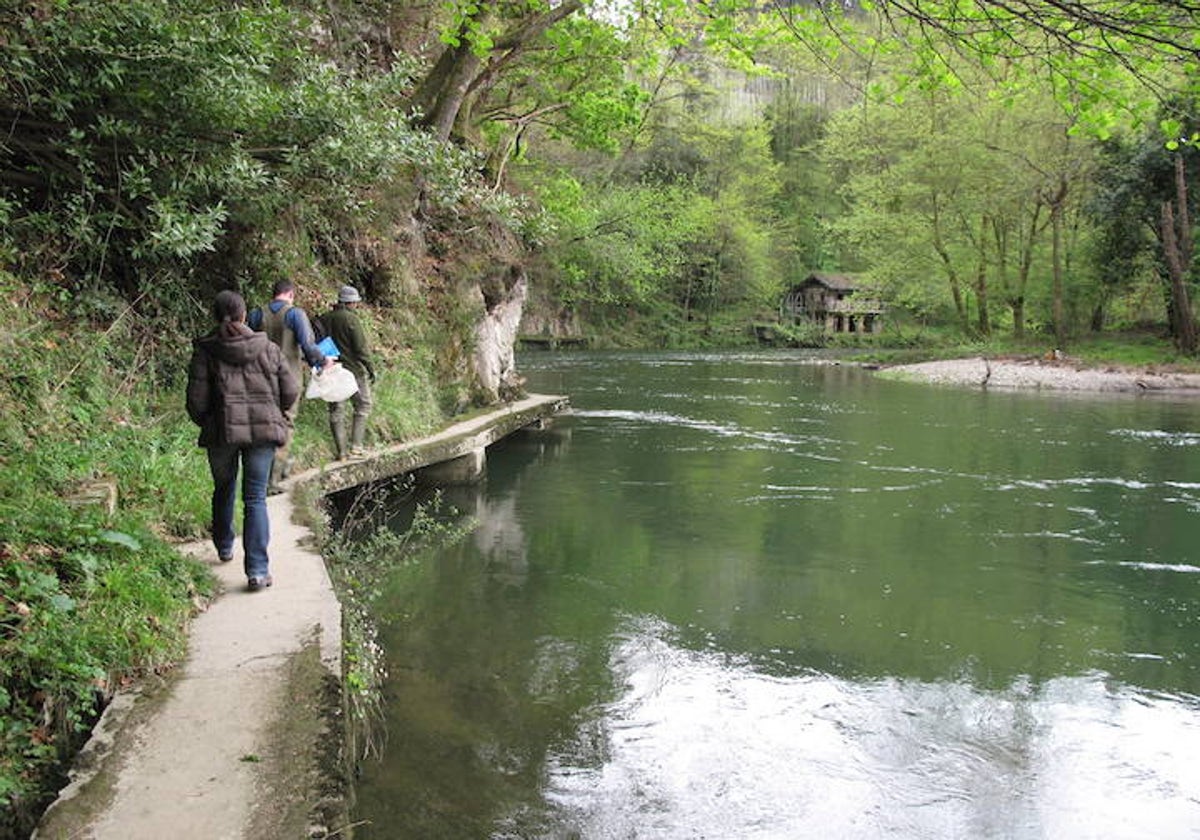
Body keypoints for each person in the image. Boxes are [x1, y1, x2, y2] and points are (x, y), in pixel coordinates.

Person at [186, 290, 298, 591]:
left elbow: (196, 403)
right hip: (263, 434)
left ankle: (224, 546)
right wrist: (275, 411)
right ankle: (258, 571)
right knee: (255, 498)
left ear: (215, 316)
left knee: (224, 487)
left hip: (221, 433)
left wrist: (211, 421)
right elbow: (290, 392)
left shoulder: (206, 351)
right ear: (244, 315)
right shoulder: (268, 348)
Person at [247, 279, 332, 492]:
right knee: (285, 424)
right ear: (291, 295)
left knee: (262, 425)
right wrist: (322, 361)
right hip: (288, 380)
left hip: (261, 378)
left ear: (273, 293)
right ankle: (272, 481)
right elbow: (308, 344)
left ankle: (257, 478)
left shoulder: (256, 314)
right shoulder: (295, 315)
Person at [319, 284, 377, 459]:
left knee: (336, 409)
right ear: (350, 302)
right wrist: (370, 368)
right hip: (352, 371)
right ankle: (356, 448)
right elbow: (360, 348)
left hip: (331, 370)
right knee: (363, 404)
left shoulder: (324, 319)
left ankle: (342, 452)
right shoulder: (351, 319)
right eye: (355, 303)